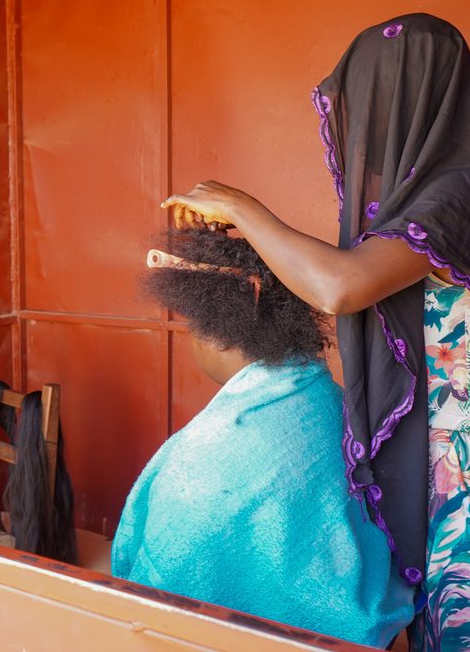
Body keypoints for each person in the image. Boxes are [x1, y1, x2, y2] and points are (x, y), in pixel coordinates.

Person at [162, 13, 470, 651]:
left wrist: (244, 207)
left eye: (373, 103)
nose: (364, 131)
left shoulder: (460, 193)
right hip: (446, 482)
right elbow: (343, 275)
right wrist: (254, 239)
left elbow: (340, 285)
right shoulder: (425, 205)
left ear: (418, 97)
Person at [110, 229, 415, 648]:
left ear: (216, 325)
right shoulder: (328, 399)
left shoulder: (202, 464)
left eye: (191, 325)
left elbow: (159, 581)